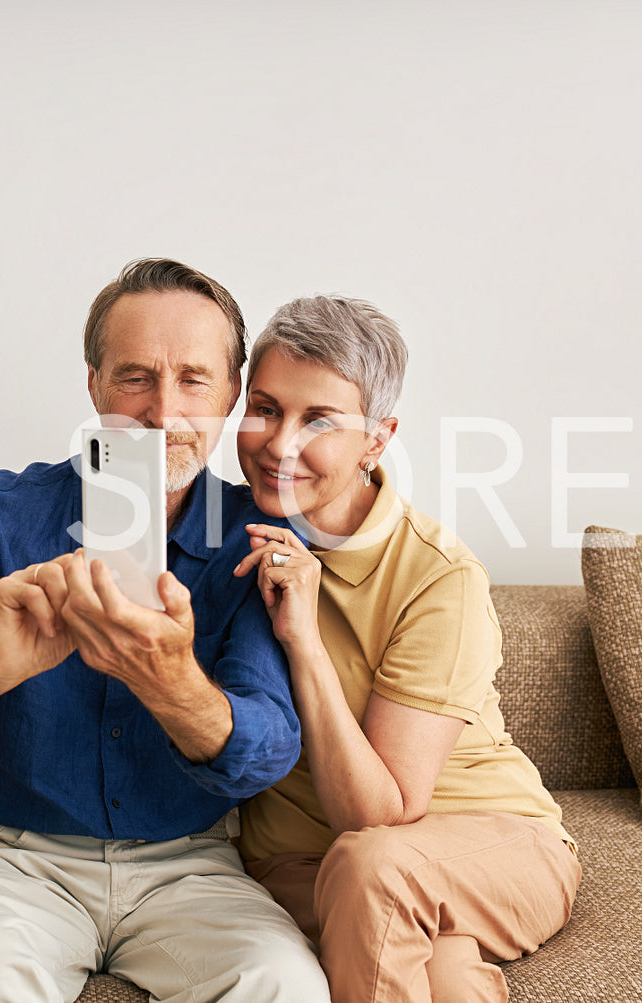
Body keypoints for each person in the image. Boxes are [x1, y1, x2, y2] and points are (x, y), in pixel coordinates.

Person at [0, 259, 330, 1003]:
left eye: (194, 380)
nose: (162, 412)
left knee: (285, 986)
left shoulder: (255, 538)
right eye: (135, 376)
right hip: (14, 858)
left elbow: (265, 748)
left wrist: (168, 682)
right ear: (95, 384)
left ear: (231, 394)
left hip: (191, 865)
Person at [230, 295, 581, 1003]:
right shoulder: (218, 536)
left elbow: (378, 816)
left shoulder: (437, 576)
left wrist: (303, 639)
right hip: (299, 865)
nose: (279, 443)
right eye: (264, 407)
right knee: (443, 975)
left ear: (376, 440)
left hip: (488, 844)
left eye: (319, 419)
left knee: (376, 864)